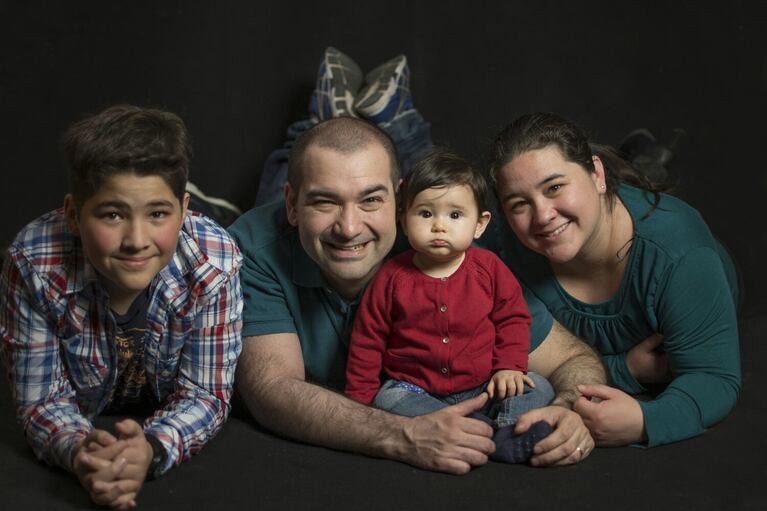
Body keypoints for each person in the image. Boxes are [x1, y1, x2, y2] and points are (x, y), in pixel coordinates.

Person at [230, 47, 605, 475]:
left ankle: (367, 119)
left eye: (372, 199)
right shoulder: (254, 246)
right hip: (275, 226)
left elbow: (573, 360)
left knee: (433, 175)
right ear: (295, 206)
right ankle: (321, 119)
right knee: (289, 169)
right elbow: (271, 391)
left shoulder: (443, 246)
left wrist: (566, 410)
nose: (349, 227)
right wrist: (401, 435)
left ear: (402, 201)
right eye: (324, 202)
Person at [0, 105, 243, 509]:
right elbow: (41, 401)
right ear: (74, 216)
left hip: (191, 260)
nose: (135, 238)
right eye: (113, 214)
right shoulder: (33, 264)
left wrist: (151, 447)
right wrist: (83, 453)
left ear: (184, 210)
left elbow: (205, 394)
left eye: (158, 214)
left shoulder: (216, 264)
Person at [488, 112, 741, 447]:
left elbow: (714, 377)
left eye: (555, 187)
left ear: (596, 174)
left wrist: (644, 420)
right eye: (519, 204)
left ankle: (642, 166)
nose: (542, 216)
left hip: (689, 256)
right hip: (604, 198)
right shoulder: (504, 246)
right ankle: (636, 163)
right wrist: (624, 369)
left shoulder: (682, 254)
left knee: (645, 189)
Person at [344, 149, 555, 463]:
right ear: (403, 219)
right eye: (426, 214)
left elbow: (513, 318)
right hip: (418, 391)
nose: (439, 226)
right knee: (387, 397)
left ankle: (508, 430)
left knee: (538, 385)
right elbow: (367, 340)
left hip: (484, 387)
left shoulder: (489, 269)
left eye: (455, 215)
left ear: (479, 224)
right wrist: (357, 406)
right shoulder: (391, 278)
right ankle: (468, 429)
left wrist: (509, 366)